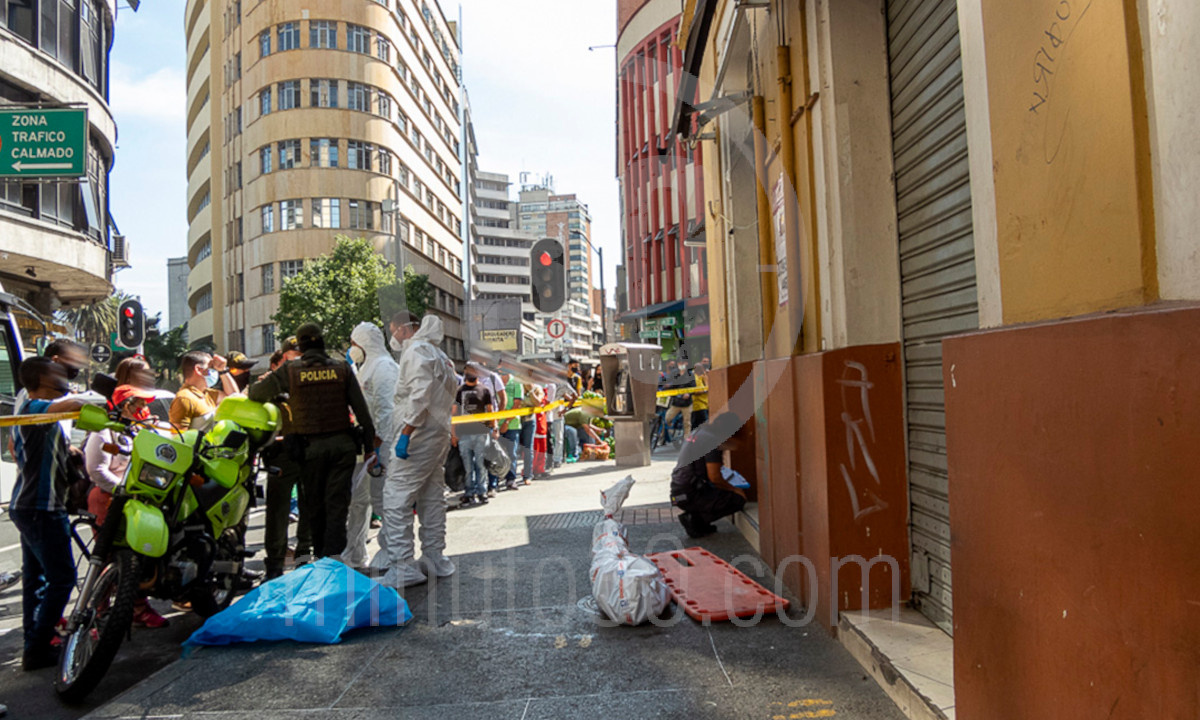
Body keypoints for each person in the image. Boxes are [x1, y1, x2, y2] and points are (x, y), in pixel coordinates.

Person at [248, 323, 376, 562]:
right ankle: (334, 558)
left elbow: (256, 393)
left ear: (302, 345)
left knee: (314, 506)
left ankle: (321, 558)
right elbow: (362, 413)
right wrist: (369, 448)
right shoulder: (342, 368)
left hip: (309, 450)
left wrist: (282, 396)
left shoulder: (290, 370)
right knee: (337, 506)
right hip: (342, 448)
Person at [9, 358, 89, 670]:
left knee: (36, 579)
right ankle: (39, 645)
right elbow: (72, 405)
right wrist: (88, 400)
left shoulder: (34, 412)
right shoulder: (34, 408)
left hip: (31, 506)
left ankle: (34, 644)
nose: (64, 378)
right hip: (40, 507)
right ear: (42, 379)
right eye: (56, 373)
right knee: (62, 579)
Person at [376, 311, 458, 589]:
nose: (393, 336)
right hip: (436, 434)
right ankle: (435, 557)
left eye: (393, 330)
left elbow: (419, 395)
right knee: (431, 497)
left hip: (417, 436)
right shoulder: (440, 355)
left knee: (396, 497)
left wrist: (406, 433)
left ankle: (402, 566)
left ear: (402, 328)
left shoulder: (416, 352)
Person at [83, 384, 170, 629]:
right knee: (107, 554)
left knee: (138, 555)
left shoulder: (139, 430)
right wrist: (123, 490)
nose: (143, 407)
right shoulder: (104, 431)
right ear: (124, 405)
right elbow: (96, 470)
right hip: (108, 499)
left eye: (144, 403)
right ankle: (98, 612)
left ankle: (138, 608)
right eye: (138, 403)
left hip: (137, 500)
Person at [343, 322, 398, 569]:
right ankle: (355, 555)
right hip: (369, 444)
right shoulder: (367, 367)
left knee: (384, 500)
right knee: (360, 500)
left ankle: (393, 554)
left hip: (382, 444)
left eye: (354, 343)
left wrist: (378, 441)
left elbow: (387, 409)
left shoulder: (384, 367)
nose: (352, 348)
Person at [259, 349, 312, 579]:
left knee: (309, 509)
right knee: (277, 512)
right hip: (280, 453)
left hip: (307, 451)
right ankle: (274, 565)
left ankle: (303, 559)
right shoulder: (268, 384)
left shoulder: (309, 380)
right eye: (289, 361)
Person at [670, 412, 748, 538]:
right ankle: (695, 519)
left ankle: (699, 520)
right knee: (738, 499)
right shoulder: (712, 441)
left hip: (678, 492)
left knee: (721, 492)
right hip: (689, 494)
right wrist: (734, 489)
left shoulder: (700, 432)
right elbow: (715, 477)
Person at [452, 369, 494, 507]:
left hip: (480, 433)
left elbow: (490, 411)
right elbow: (454, 413)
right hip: (464, 433)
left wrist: (494, 428)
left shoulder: (485, 390)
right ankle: (470, 492)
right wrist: (453, 433)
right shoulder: (459, 391)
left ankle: (481, 491)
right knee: (468, 466)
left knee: (480, 464)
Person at [168, 351, 241, 430]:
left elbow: (234, 398)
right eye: (211, 367)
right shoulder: (185, 399)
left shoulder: (207, 393)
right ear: (198, 369)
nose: (215, 371)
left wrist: (223, 371)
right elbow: (179, 435)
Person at [467, 364, 506, 496]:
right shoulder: (469, 380)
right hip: (472, 425)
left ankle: (492, 485)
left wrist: (497, 420)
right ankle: (477, 487)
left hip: (489, 423)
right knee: (475, 457)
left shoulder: (493, 378)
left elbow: (503, 398)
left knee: (490, 454)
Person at [497, 369, 523, 492]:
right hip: (497, 423)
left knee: (511, 453)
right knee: (497, 452)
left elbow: (517, 404)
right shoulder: (495, 380)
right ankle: (497, 478)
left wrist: (506, 422)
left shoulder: (516, 382)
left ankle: (511, 479)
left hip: (512, 424)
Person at [663, 360, 695, 444]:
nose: (681, 365)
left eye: (682, 363)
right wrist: (667, 386)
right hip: (676, 402)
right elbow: (670, 383)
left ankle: (687, 440)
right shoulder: (674, 373)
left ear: (686, 363)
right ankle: (670, 431)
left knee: (687, 422)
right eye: (679, 363)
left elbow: (693, 387)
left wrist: (688, 394)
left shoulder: (690, 374)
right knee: (667, 418)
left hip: (686, 403)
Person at [691, 362, 710, 429]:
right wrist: (706, 383)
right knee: (705, 425)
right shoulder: (695, 378)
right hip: (699, 405)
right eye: (703, 368)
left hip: (705, 404)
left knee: (696, 426)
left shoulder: (702, 376)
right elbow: (696, 391)